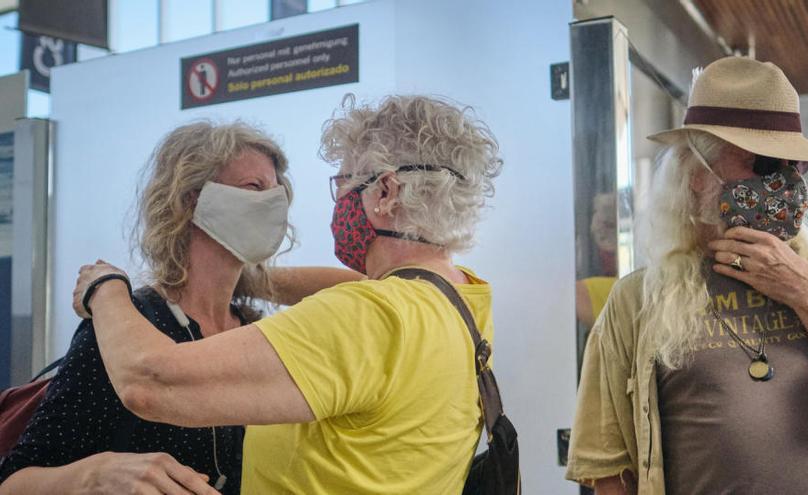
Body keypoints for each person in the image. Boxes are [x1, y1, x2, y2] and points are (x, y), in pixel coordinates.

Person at [71, 94, 504, 494]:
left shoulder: (366, 316)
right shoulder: (460, 298)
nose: (339, 204)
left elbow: (147, 381)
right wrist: (250, 280)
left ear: (386, 192)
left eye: (345, 184)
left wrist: (104, 286)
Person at [566, 57, 808, 494]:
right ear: (697, 173)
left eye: (797, 167)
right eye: (766, 165)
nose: (787, 183)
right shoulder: (638, 300)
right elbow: (608, 469)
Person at [0, 121, 360, 495]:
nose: (274, 204)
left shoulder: (251, 326)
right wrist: (98, 474)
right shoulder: (126, 326)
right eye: (254, 188)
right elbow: (14, 481)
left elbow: (368, 291)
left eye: (277, 192)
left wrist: (249, 280)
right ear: (192, 198)